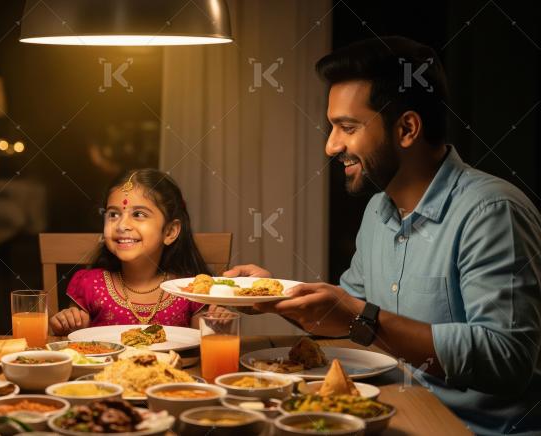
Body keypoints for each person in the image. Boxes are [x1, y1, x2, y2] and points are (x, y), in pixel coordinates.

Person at [227, 36, 541, 435]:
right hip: (394, 414)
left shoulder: (491, 212)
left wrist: (362, 317)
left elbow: (508, 360)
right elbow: (345, 317)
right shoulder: (378, 210)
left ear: (407, 128)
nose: (331, 146)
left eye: (348, 127)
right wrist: (272, 296)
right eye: (332, 127)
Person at [49, 169, 229, 335]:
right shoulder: (90, 284)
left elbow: (206, 339)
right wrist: (65, 325)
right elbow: (72, 338)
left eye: (138, 214)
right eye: (113, 214)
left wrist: (217, 323)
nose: (122, 225)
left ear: (169, 232)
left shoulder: (189, 289)